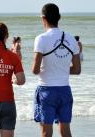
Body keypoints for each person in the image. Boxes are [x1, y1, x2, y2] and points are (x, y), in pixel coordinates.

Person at [32, 3, 81, 137]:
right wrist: (61, 69)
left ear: (43, 18)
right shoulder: (71, 39)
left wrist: (49, 68)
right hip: (65, 90)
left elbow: (35, 70)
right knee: (65, 131)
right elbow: (77, 70)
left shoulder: (41, 39)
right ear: (59, 17)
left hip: (46, 90)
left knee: (46, 132)